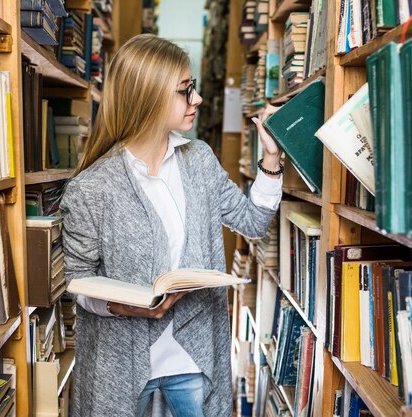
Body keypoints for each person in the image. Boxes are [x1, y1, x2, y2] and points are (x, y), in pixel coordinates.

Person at [60, 34, 283, 417]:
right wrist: (126, 307)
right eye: (185, 90)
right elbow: (77, 282)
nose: (196, 99)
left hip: (192, 360)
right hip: (121, 361)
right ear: (149, 96)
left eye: (193, 88)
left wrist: (271, 158)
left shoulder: (199, 160)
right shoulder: (92, 187)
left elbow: (253, 222)